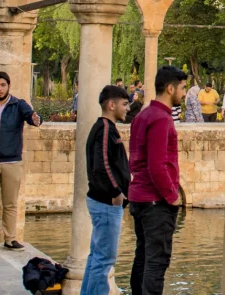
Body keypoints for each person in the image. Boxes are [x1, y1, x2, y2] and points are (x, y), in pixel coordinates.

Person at [128, 66, 187, 295]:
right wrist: (172, 196)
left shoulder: (142, 115)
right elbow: (157, 165)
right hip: (155, 201)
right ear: (170, 88)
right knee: (156, 261)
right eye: (182, 88)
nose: (183, 93)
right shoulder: (161, 119)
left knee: (142, 256)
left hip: (139, 197)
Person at [81, 85, 131, 295]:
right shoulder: (104, 129)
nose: (127, 108)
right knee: (104, 259)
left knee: (97, 256)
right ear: (112, 105)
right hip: (106, 203)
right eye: (124, 104)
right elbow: (101, 165)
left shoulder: (106, 128)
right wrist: (116, 193)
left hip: (103, 202)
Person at [0, 71, 42, 250]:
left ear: (8, 86)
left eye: (2, 85)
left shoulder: (18, 105)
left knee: (10, 203)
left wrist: (35, 119)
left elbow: (31, 116)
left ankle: (10, 238)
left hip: (12, 162)